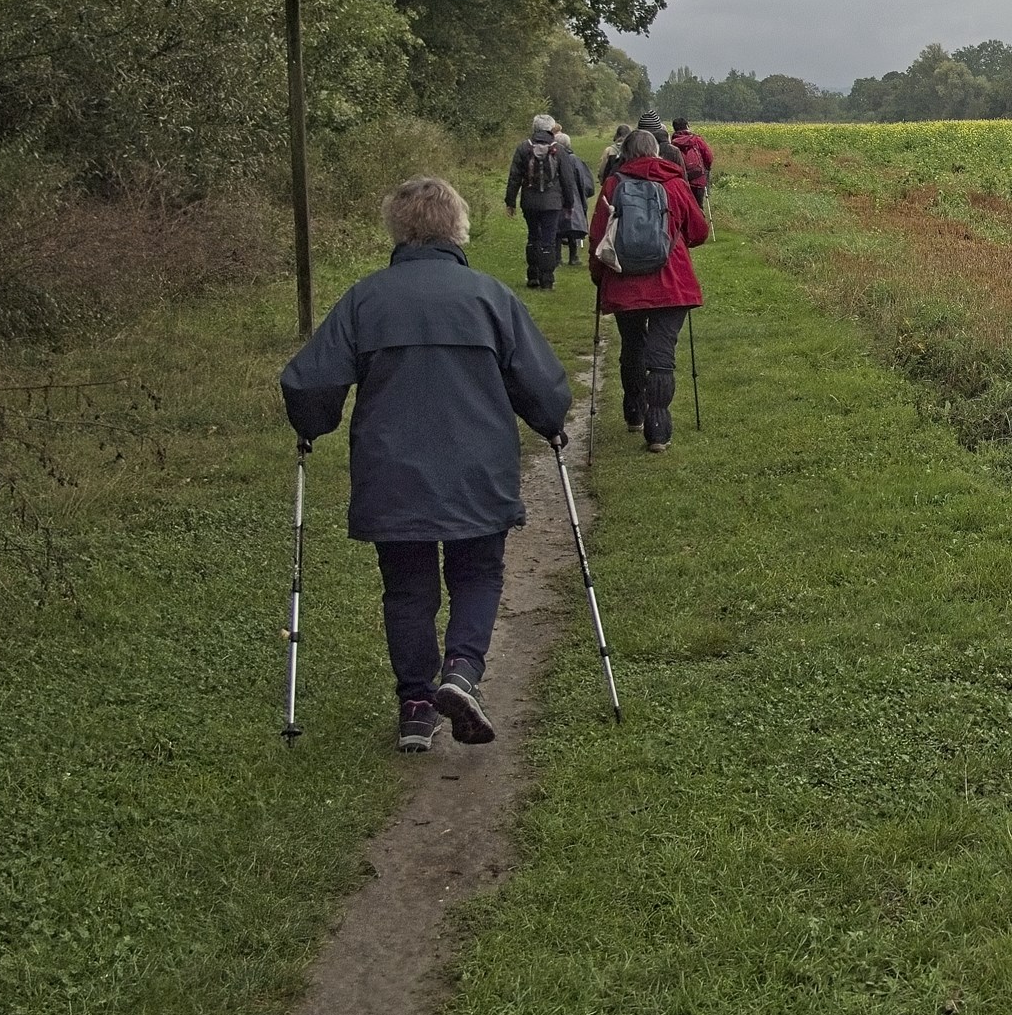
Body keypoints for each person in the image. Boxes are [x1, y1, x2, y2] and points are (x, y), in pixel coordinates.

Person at [281, 175, 573, 753]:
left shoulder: (367, 298)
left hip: (394, 472)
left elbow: (310, 381)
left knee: (407, 587)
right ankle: (461, 672)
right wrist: (550, 421)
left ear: (398, 230)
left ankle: (416, 705)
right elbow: (541, 386)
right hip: (479, 470)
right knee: (478, 573)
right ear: (457, 228)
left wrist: (312, 425)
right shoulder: (490, 297)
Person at [589, 128, 709, 454]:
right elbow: (698, 231)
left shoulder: (613, 185)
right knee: (661, 355)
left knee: (632, 346)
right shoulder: (674, 184)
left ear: (625, 154)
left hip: (625, 282)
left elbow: (599, 237)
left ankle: (633, 413)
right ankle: (659, 431)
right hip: (672, 283)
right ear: (656, 151)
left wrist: (599, 278)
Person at [503, 114, 571, 289]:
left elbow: (514, 177)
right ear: (551, 129)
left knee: (533, 236)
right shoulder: (559, 150)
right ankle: (547, 279)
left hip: (530, 201)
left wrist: (510, 202)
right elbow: (566, 179)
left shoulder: (523, 148)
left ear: (535, 128)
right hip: (552, 203)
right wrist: (569, 204)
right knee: (548, 239)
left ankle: (532, 275)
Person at [554, 127, 595, 266]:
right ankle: (573, 256)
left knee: (557, 227)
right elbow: (582, 180)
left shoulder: (553, 158)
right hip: (574, 195)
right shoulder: (574, 160)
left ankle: (557, 257)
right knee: (571, 226)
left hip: (556, 196)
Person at [670, 117, 715, 213]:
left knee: (683, 208)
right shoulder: (696, 140)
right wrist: (706, 170)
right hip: (698, 179)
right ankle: (700, 224)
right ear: (687, 126)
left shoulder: (673, 143)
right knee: (698, 207)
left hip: (681, 181)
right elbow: (708, 157)